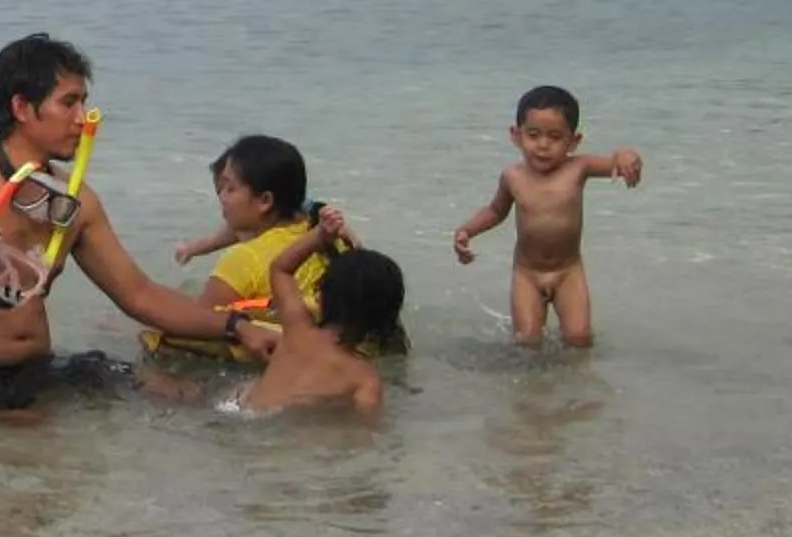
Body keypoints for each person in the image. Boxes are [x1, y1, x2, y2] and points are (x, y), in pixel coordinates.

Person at [0, 33, 270, 411]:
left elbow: (140, 295)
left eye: (84, 102)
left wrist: (237, 327)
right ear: (21, 108)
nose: (82, 119)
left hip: (37, 370)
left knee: (184, 395)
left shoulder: (77, 200)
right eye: (68, 103)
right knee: (40, 456)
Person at [452, 83, 645, 348]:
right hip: (527, 274)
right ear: (516, 135)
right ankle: (536, 388)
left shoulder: (579, 167)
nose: (543, 145)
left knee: (579, 338)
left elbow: (617, 161)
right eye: (533, 135)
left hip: (568, 272)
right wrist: (467, 230)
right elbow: (496, 210)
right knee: (527, 341)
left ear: (573, 141)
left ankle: (574, 388)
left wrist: (626, 155)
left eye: (555, 137)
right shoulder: (513, 177)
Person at [152, 134, 353, 360]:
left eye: (230, 189)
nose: (222, 198)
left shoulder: (243, 260)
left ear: (265, 201)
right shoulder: (326, 233)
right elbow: (237, 231)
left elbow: (195, 325)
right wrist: (195, 248)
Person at [221, 216, 405, 415]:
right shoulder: (365, 378)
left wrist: (319, 236)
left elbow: (280, 269)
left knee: (247, 388)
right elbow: (364, 437)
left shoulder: (296, 329)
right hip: (280, 431)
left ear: (322, 294)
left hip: (239, 411)